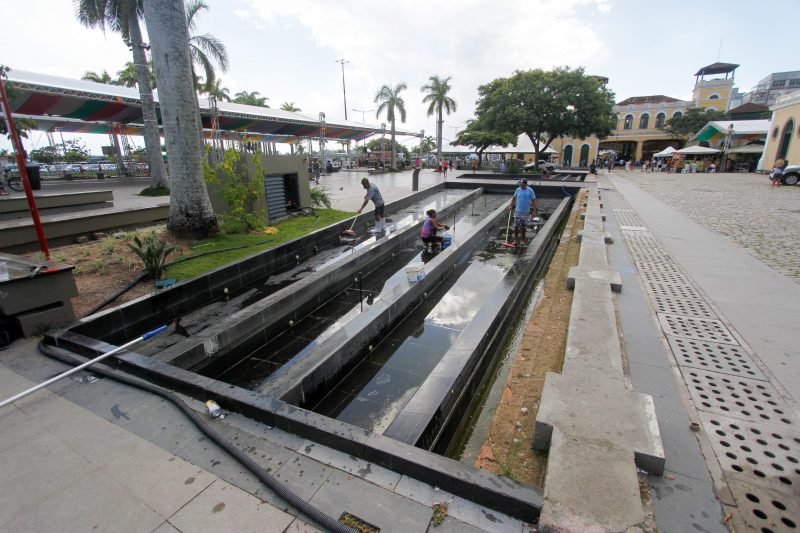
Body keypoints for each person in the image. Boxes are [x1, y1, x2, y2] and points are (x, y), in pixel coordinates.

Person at [509, 178, 537, 246]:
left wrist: (534, 211)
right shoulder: (518, 189)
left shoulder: (530, 190)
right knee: (516, 226)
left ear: (526, 184)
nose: (521, 185)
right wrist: (511, 205)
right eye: (520, 184)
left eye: (522, 184)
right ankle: (516, 239)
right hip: (518, 211)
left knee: (523, 227)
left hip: (525, 212)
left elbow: (533, 201)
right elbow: (514, 198)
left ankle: (522, 240)